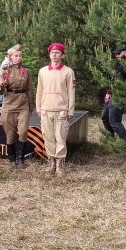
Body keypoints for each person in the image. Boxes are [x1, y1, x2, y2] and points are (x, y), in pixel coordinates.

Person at [36, 43, 76, 176]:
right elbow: (39, 91)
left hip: (61, 111)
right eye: (52, 52)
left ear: (62, 55)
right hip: (46, 110)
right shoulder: (43, 71)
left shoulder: (68, 72)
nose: (54, 55)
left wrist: (70, 110)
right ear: (49, 54)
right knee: (48, 137)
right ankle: (51, 161)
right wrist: (39, 108)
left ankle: (60, 163)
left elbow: (71, 92)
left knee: (60, 137)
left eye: (57, 52)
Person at [0, 45, 35, 167]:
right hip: (8, 104)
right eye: (16, 56)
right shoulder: (5, 70)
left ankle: (21, 159)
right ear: (10, 57)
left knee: (23, 131)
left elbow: (30, 90)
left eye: (20, 55)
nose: (19, 58)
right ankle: (12, 159)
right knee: (10, 133)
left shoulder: (27, 71)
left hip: (23, 103)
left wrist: (30, 107)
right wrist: (1, 85)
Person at [102, 48, 126, 144]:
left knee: (114, 121)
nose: (117, 56)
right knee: (105, 117)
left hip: (119, 96)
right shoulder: (117, 65)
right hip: (110, 94)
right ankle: (111, 138)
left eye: (119, 53)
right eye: (116, 54)